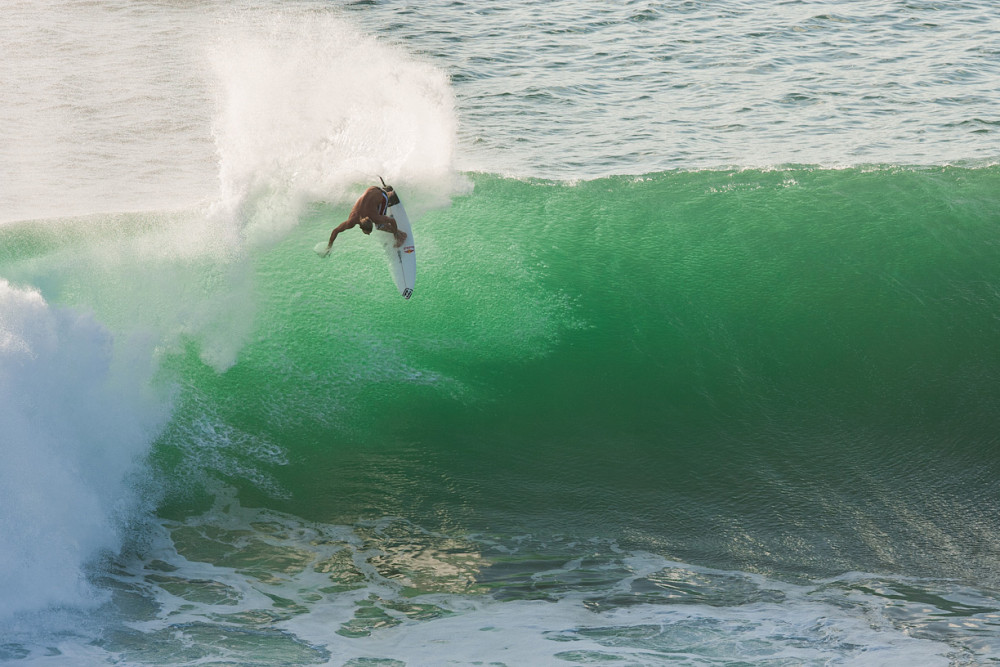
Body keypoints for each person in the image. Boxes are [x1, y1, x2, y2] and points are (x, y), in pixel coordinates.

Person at [321, 184, 406, 256]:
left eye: (368, 232)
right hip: (372, 189)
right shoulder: (352, 221)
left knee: (380, 226)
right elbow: (335, 231)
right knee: (373, 206)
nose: (368, 234)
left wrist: (395, 234)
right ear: (361, 226)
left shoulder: (375, 218)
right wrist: (329, 246)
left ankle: (391, 196)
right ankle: (388, 191)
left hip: (380, 194)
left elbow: (392, 221)